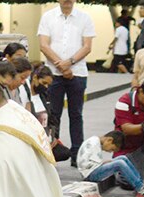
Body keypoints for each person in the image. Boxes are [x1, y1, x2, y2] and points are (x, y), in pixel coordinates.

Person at [38, 0, 95, 165]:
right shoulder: (48, 17)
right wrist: (61, 65)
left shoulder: (85, 18)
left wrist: (68, 63)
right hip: (53, 75)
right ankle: (53, 151)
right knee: (53, 115)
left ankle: (78, 155)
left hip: (77, 73)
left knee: (76, 114)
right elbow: (43, 45)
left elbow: (87, 46)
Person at [76, 130, 144, 197]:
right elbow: (86, 166)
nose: (110, 151)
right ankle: (140, 188)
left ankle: (140, 184)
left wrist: (103, 163)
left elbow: (90, 160)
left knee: (122, 158)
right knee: (119, 163)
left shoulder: (95, 140)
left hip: (92, 169)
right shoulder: (93, 143)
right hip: (90, 174)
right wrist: (102, 164)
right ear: (109, 140)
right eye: (112, 149)